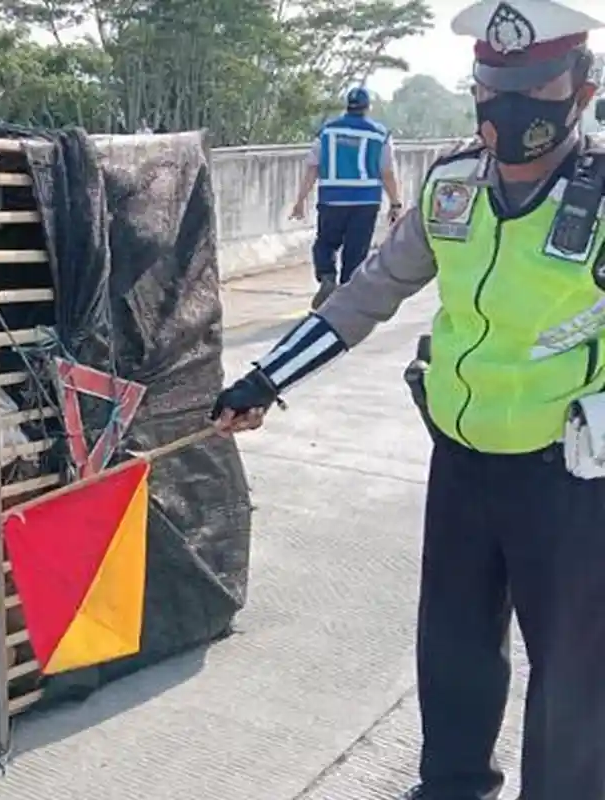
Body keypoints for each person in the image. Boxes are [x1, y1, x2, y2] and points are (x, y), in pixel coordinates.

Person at [211, 1, 605, 798]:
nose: (510, 106)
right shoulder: (451, 188)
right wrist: (266, 378)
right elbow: (367, 295)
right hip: (461, 466)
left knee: (574, 681)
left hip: (568, 481)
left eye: (535, 85)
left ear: (583, 90)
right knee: (453, 653)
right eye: (494, 87)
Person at [292, 86, 404, 309]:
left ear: (347, 106)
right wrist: (395, 202)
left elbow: (312, 167)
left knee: (325, 243)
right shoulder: (379, 134)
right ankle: (345, 296)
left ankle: (326, 276)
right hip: (366, 201)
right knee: (356, 250)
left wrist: (300, 200)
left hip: (332, 199)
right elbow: (387, 172)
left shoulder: (327, 132)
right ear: (367, 107)